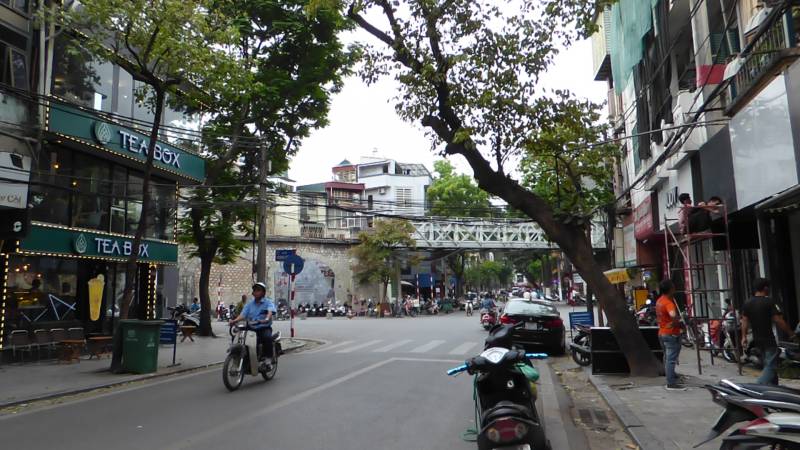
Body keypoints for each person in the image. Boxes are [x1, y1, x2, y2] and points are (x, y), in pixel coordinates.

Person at [741, 278, 797, 385]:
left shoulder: (747, 303)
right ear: (765, 288)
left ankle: (773, 388)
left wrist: (743, 337)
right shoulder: (769, 302)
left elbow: (744, 321)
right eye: (769, 288)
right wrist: (791, 333)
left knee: (768, 365)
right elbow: (778, 320)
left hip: (757, 340)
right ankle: (758, 386)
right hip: (769, 340)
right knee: (771, 366)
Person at [230, 282, 276, 365]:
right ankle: (237, 355)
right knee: (237, 335)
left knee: (267, 337)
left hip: (263, 327)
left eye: (258, 290)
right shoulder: (249, 304)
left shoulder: (268, 302)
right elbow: (242, 315)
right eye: (255, 290)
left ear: (263, 292)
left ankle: (268, 357)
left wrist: (266, 318)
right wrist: (234, 321)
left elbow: (270, 311)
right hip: (251, 327)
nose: (256, 292)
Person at [656, 279, 686, 391]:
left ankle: (671, 375)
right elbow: (673, 315)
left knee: (667, 357)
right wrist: (677, 322)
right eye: (673, 286)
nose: (674, 288)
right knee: (671, 359)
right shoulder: (669, 303)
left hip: (662, 332)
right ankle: (671, 382)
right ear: (670, 289)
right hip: (671, 334)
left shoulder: (659, 301)